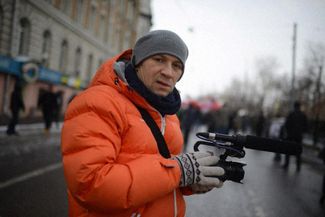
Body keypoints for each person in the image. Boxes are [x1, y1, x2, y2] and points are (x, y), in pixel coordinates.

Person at [61, 30, 225, 217]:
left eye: (177, 65)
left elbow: (161, 175)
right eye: (159, 60)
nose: (168, 72)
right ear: (138, 62)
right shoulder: (97, 102)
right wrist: (179, 171)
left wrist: (190, 181)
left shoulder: (169, 114)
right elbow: (91, 185)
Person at [283, 101, 308, 172]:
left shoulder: (291, 114)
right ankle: (298, 167)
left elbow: (286, 124)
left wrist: (288, 132)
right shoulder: (303, 115)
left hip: (290, 135)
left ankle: (286, 164)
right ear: (299, 106)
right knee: (298, 151)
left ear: (294, 106)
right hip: (299, 136)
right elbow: (306, 127)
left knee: (287, 150)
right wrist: (301, 132)